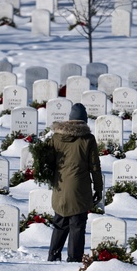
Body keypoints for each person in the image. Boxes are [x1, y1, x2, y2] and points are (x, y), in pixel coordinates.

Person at [47, 103, 103, 262]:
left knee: (60, 222)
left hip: (60, 188)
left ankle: (53, 256)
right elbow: (94, 167)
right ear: (84, 120)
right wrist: (98, 189)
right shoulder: (88, 139)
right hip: (80, 188)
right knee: (77, 225)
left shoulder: (56, 137)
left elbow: (48, 163)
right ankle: (74, 259)